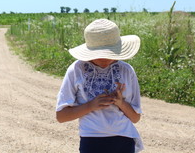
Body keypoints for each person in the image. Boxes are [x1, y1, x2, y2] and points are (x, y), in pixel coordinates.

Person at [56, 19, 144, 153]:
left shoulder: (127, 71)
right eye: (100, 54)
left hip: (124, 140)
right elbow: (61, 116)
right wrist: (91, 105)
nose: (105, 58)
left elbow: (135, 118)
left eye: (109, 53)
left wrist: (120, 103)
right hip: (91, 140)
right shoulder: (77, 70)